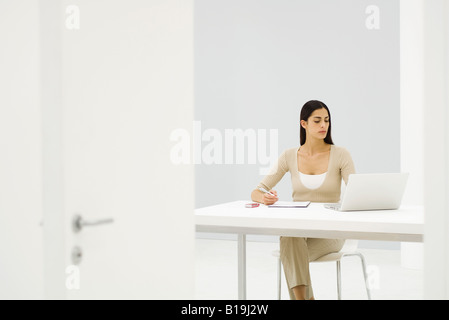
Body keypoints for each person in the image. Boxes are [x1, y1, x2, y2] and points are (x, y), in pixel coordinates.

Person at [251, 100, 356, 300]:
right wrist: (265, 198)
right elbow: (256, 191)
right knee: (291, 236)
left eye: (326, 120)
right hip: (299, 230)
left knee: (290, 251)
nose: (323, 125)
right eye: (317, 121)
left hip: (331, 232)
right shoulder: (289, 156)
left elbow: (356, 193)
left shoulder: (341, 154)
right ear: (304, 124)